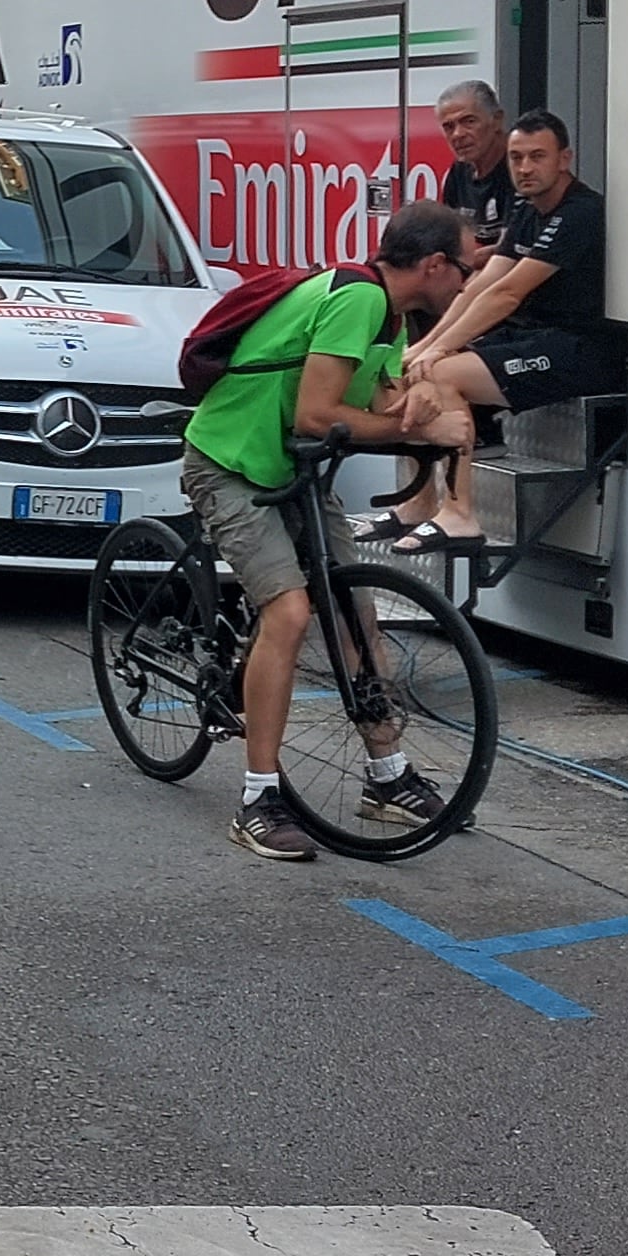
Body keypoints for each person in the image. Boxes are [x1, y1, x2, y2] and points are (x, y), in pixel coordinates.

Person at [174, 200, 473, 865]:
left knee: (354, 614)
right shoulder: (359, 299)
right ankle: (257, 800)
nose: (465, 282)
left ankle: (387, 774)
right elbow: (316, 413)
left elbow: (367, 406)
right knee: (289, 611)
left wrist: (411, 405)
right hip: (232, 463)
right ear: (432, 265)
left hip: (293, 470)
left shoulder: (391, 317)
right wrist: (411, 428)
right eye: (463, 268)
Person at [396, 110, 622, 541]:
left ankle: (460, 515)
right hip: (532, 337)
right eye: (517, 157)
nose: (524, 168)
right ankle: (419, 502)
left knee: (442, 374)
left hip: (579, 350)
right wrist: (425, 345)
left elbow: (507, 293)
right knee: (415, 371)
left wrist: (439, 353)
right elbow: (482, 283)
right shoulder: (525, 206)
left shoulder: (581, 211)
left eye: (537, 156)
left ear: (565, 159)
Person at [430, 81, 514, 259]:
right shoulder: (459, 171)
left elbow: (508, 252)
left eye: (469, 121)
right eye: (449, 127)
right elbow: (448, 243)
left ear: (497, 120)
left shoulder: (520, 170)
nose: (458, 134)